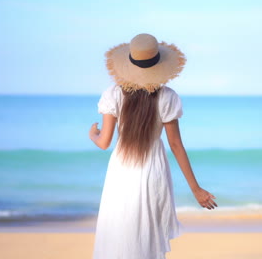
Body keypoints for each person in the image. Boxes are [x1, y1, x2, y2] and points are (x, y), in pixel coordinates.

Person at [89, 33, 217, 259]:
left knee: (119, 233)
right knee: (146, 236)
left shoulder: (113, 94)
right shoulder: (167, 97)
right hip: (153, 170)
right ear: (159, 65)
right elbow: (176, 145)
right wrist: (196, 189)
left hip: (122, 171)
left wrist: (94, 134)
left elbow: (104, 142)